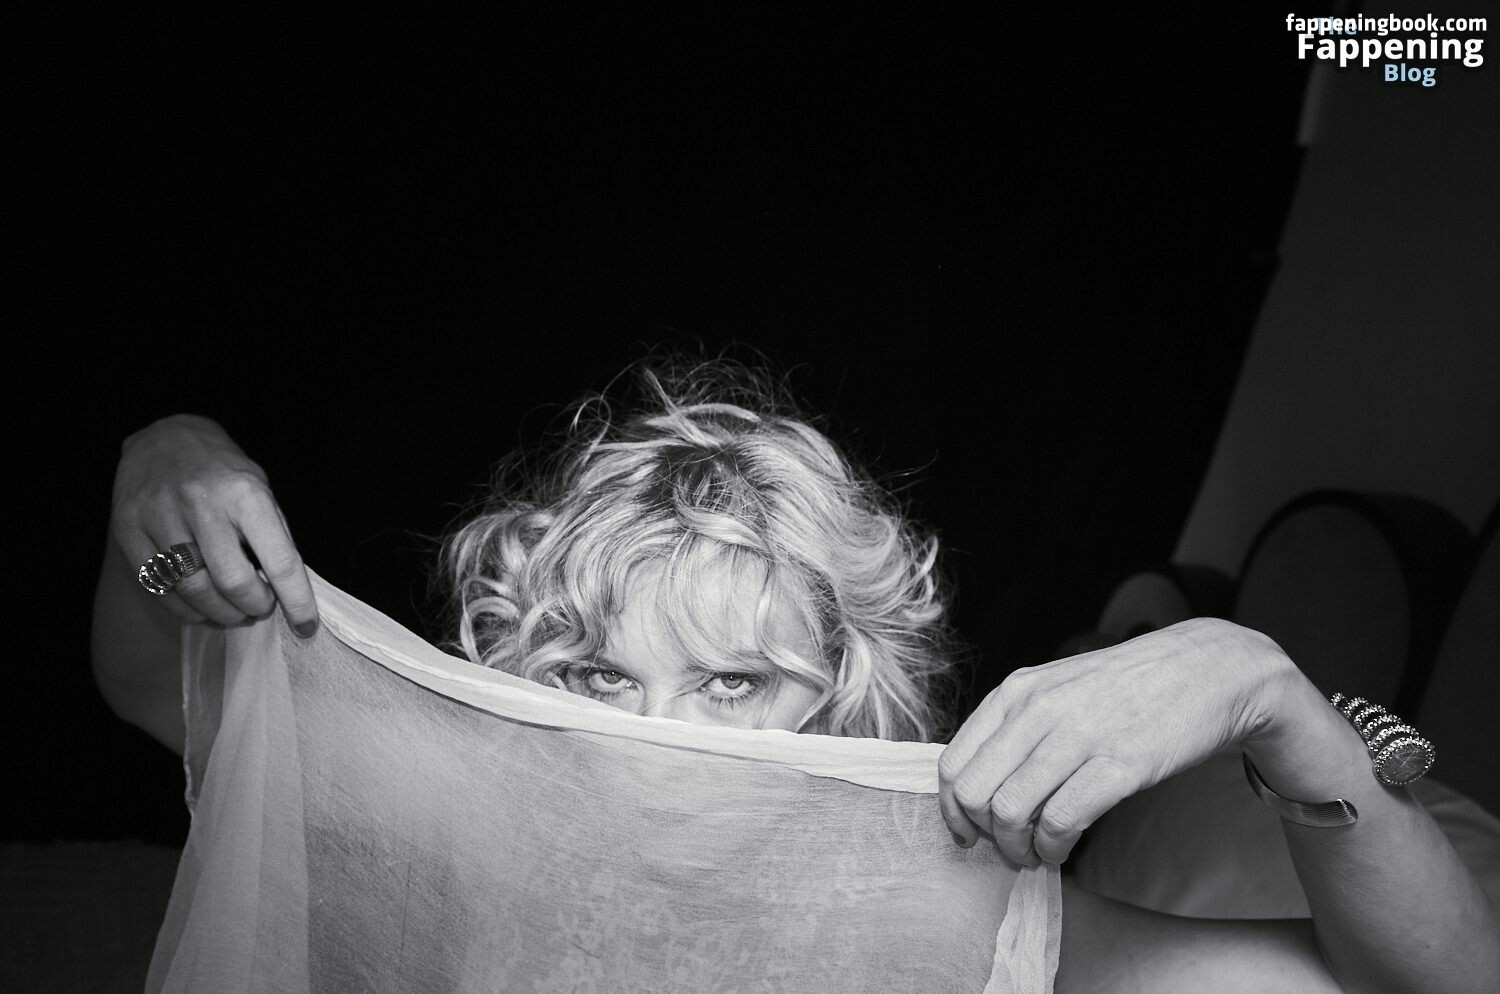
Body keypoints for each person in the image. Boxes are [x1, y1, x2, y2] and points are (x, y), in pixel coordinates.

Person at [93, 358, 1499, 993]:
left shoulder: (963, 933)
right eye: (598, 676)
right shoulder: (449, 833)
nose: (654, 746)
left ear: (839, 693)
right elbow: (159, 679)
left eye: (730, 684)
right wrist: (159, 471)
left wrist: (1264, 689)